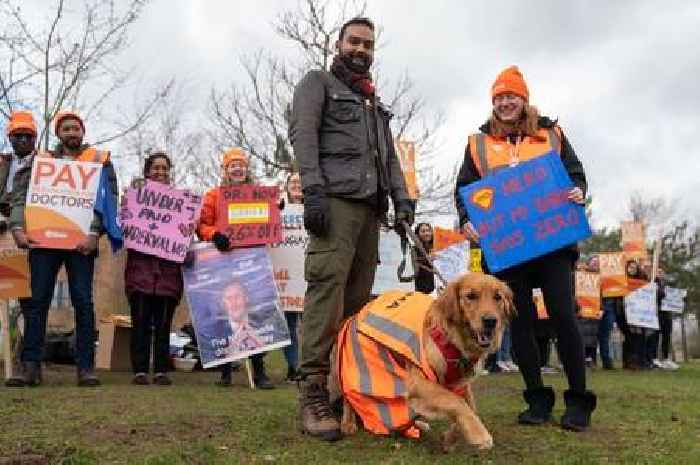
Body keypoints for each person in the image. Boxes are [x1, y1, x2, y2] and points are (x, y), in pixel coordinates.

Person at [289, 16, 413, 440]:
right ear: (339, 43)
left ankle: (345, 391)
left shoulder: (374, 105)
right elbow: (302, 135)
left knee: (357, 304)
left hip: (370, 212)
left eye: (368, 45)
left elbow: (389, 158)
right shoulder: (318, 83)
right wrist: (313, 190)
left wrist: (403, 199)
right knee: (326, 294)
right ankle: (312, 395)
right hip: (336, 205)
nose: (361, 49)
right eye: (354, 41)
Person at [454, 66, 596, 431]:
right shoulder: (478, 144)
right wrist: (465, 219)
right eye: (499, 97)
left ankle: (578, 401)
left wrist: (579, 190)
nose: (505, 102)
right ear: (493, 103)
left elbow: (575, 172)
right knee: (519, 324)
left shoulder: (552, 134)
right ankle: (536, 399)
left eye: (511, 96)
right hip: (507, 249)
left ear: (524, 99)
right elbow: (464, 191)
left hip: (553, 244)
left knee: (563, 316)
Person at [10, 110, 118, 387]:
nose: (72, 133)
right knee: (37, 303)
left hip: (81, 243)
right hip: (43, 243)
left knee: (83, 302)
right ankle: (31, 366)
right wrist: (18, 228)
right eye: (66, 129)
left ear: (83, 132)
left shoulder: (99, 160)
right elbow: (21, 194)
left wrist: (95, 233)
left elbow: (109, 198)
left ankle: (85, 368)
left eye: (76, 128)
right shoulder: (41, 160)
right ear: (58, 134)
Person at [196, 148, 273, 390]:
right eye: (232, 165)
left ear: (246, 169)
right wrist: (215, 234)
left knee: (252, 314)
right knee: (224, 312)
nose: (237, 169)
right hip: (223, 261)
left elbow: (270, 222)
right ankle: (225, 370)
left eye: (241, 164)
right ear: (225, 170)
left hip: (251, 262)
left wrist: (276, 209)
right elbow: (201, 224)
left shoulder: (258, 194)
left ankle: (259, 369)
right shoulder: (213, 195)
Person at [124, 153, 183, 386]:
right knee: (139, 323)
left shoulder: (180, 203)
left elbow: (186, 234)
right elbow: (124, 224)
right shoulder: (135, 196)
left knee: (163, 325)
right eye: (156, 168)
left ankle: (160, 370)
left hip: (168, 275)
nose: (161, 172)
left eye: (165, 168)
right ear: (147, 171)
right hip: (140, 272)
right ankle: (139, 370)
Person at [2, 111, 39, 387]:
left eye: (28, 136)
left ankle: (29, 365)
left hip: (30, 238)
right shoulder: (2, 165)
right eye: (18, 136)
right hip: (2, 230)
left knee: (28, 302)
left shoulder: (46, 165)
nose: (23, 140)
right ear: (10, 138)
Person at [280, 172, 303, 382]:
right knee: (288, 328)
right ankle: (293, 367)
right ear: (286, 186)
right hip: (286, 280)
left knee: (312, 328)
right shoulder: (278, 208)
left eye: (300, 181)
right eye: (292, 182)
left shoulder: (316, 207)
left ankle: (310, 368)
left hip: (308, 278)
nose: (296, 184)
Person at [412, 222, 436, 295]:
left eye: (428, 230)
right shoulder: (414, 249)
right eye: (423, 231)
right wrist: (427, 259)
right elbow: (415, 266)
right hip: (422, 288)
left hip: (437, 287)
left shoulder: (437, 247)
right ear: (417, 234)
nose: (426, 233)